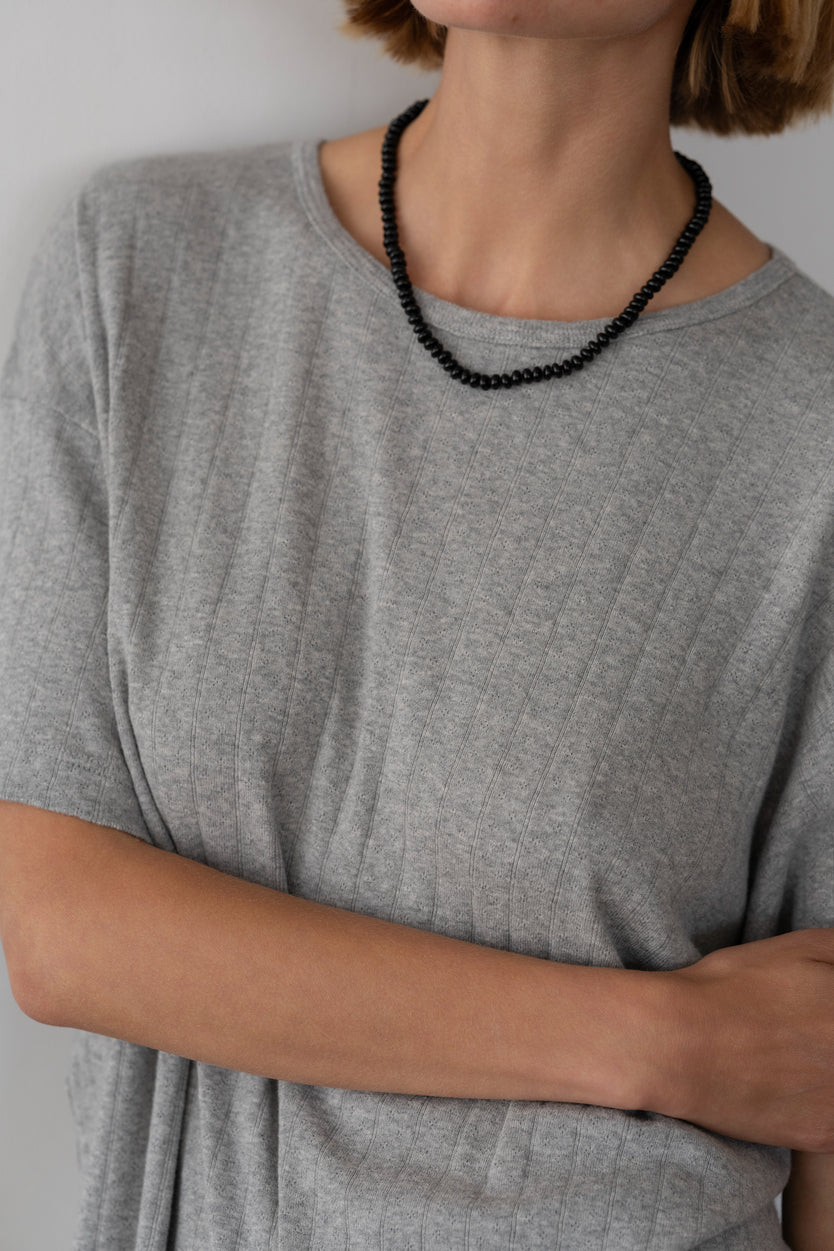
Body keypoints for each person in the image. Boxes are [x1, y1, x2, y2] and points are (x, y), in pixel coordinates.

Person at [1, 0, 833, 1246]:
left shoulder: (810, 427)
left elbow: (811, 1064)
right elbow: (61, 929)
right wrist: (662, 1043)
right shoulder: (144, 264)